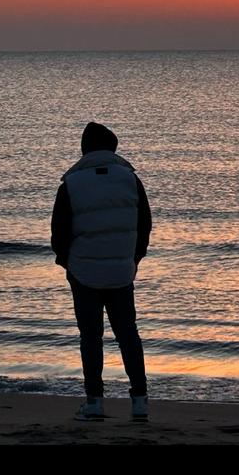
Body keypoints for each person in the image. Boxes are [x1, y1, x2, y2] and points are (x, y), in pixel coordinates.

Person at [51, 121, 152, 422]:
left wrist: (66, 261)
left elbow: (59, 231)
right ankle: (140, 401)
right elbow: (144, 224)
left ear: (84, 149)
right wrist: (134, 258)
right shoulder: (130, 180)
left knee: (91, 337)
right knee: (128, 334)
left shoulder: (71, 183)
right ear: (113, 148)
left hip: (83, 270)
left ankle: (94, 402)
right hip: (121, 270)